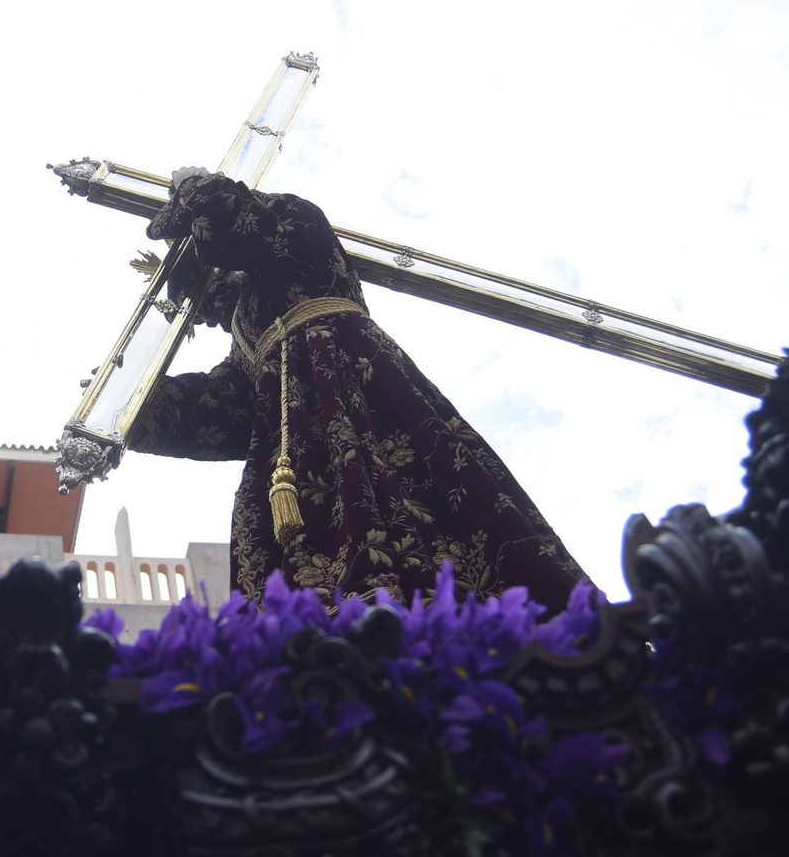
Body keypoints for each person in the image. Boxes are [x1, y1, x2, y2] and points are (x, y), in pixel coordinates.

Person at [127, 168, 585, 612]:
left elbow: (244, 222)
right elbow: (223, 410)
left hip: (354, 384)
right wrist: (138, 402)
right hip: (296, 443)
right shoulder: (247, 335)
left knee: (418, 501)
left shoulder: (297, 226)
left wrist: (195, 186)